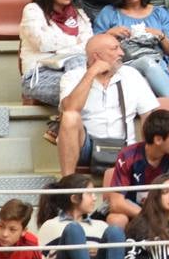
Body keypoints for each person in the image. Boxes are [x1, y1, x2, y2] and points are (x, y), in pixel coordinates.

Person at [56, 33, 159, 176]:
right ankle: (67, 183)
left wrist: (147, 158)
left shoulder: (132, 75)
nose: (121, 53)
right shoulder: (72, 76)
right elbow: (70, 109)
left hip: (125, 147)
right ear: (97, 56)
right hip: (88, 148)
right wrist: (91, 73)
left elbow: (148, 116)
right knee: (69, 117)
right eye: (115, 49)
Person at [92, 0, 169, 99]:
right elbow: (93, 49)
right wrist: (109, 34)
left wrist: (160, 36)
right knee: (144, 64)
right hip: (120, 66)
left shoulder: (160, 14)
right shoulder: (109, 13)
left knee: (150, 64)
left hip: (156, 65)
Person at [103, 108, 169, 229]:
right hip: (134, 211)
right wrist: (148, 216)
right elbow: (116, 203)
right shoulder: (127, 156)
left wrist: (163, 216)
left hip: (165, 211)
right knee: (116, 220)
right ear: (158, 139)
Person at [18, 0, 91, 107]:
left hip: (73, 72)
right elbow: (42, 43)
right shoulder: (33, 10)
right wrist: (74, 42)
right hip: (39, 75)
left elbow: (88, 45)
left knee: (82, 83)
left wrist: (58, 50)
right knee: (83, 89)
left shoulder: (79, 14)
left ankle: (61, 124)